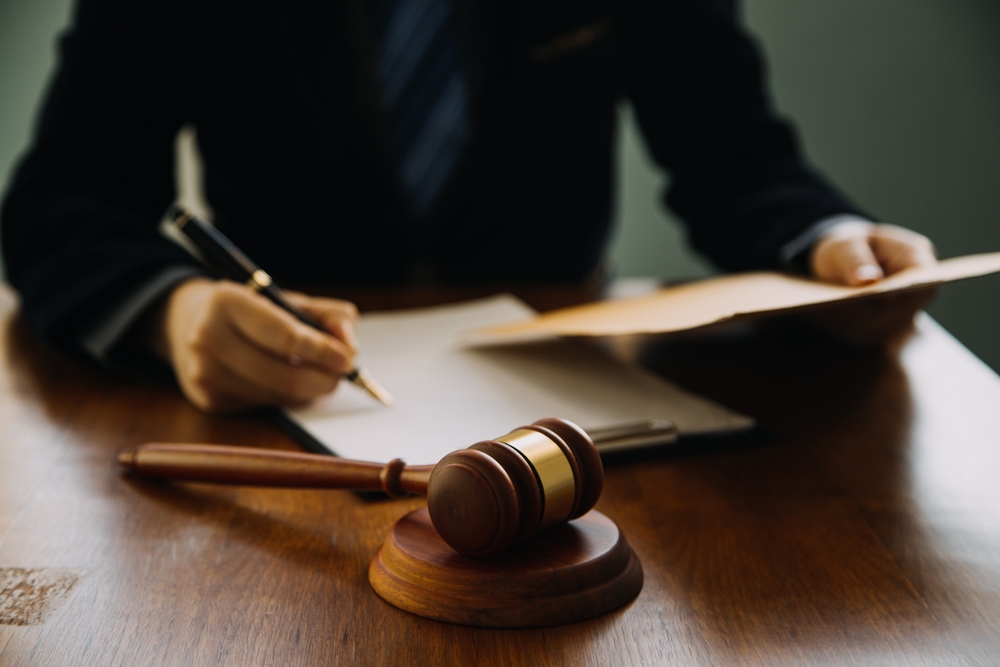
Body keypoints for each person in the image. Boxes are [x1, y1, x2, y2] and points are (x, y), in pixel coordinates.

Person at [1, 0, 936, 413]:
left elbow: (736, 160)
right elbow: (58, 199)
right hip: (287, 393)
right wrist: (173, 312)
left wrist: (829, 242)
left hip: (575, 401)